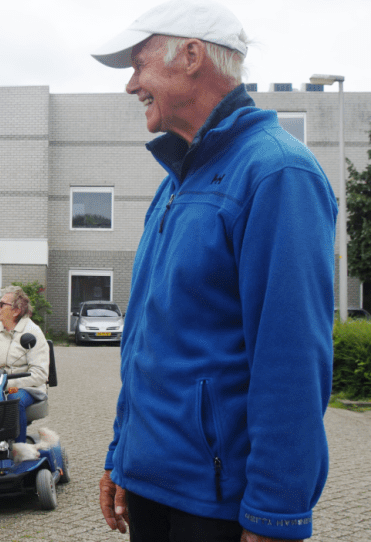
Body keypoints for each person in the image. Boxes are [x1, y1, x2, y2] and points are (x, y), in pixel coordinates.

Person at [90, 2, 336, 541]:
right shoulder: (176, 182)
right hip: (155, 487)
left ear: (193, 56)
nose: (132, 85)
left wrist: (276, 513)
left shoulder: (277, 173)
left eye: (139, 64)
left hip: (220, 505)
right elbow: (151, 341)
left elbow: (291, 360)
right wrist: (122, 456)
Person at [0, 285, 48, 444]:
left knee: (13, 399)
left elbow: (39, 374)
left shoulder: (33, 333)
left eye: (2, 304)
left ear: (16, 311)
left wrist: (5, 383)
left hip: (24, 388)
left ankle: (19, 449)